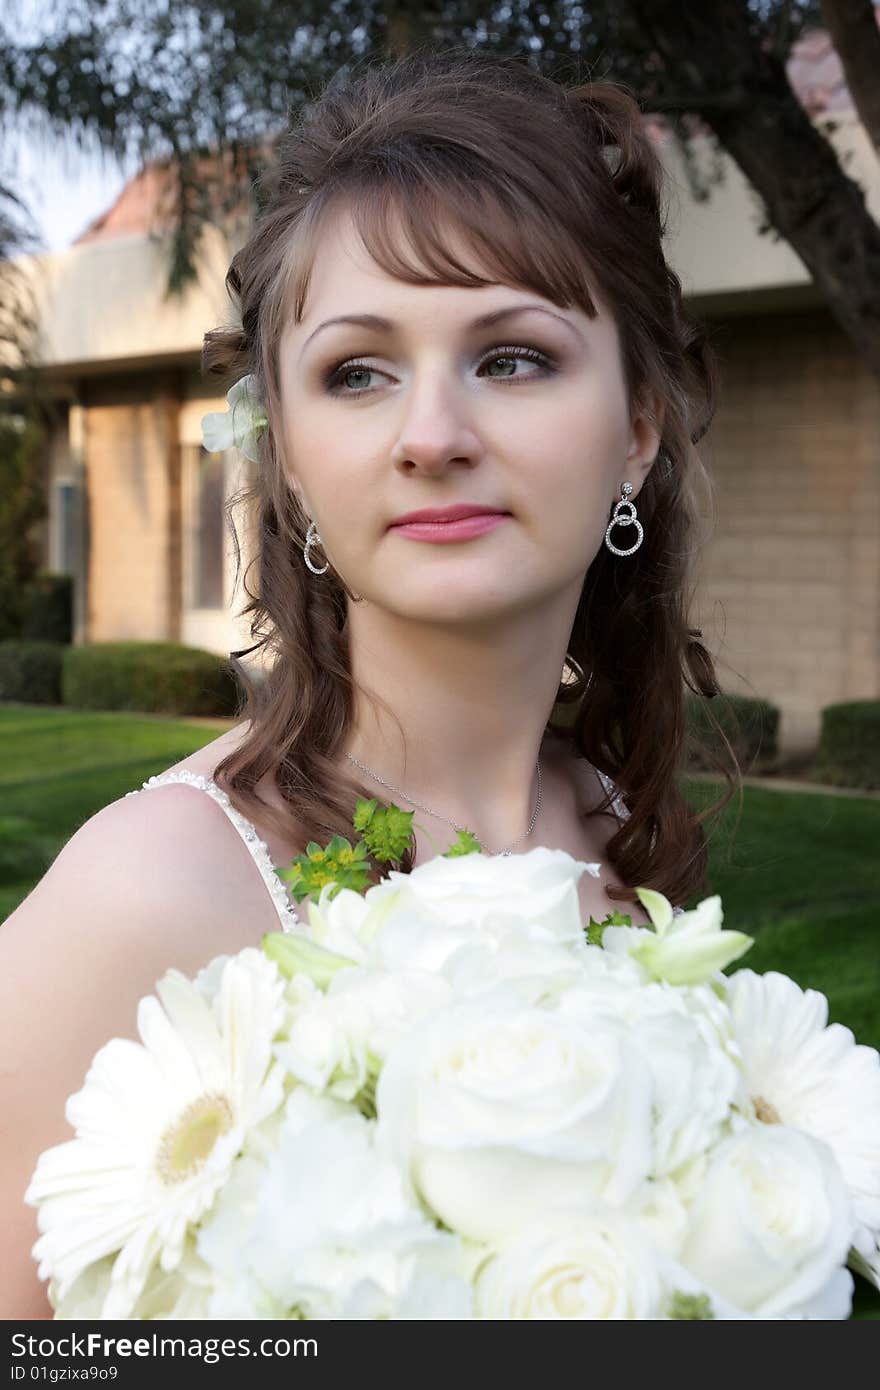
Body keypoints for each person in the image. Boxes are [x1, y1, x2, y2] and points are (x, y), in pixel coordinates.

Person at [0, 47, 739, 1319]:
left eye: (511, 357)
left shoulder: (620, 834)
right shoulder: (154, 890)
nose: (432, 434)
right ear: (284, 457)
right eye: (357, 371)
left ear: (635, 427)